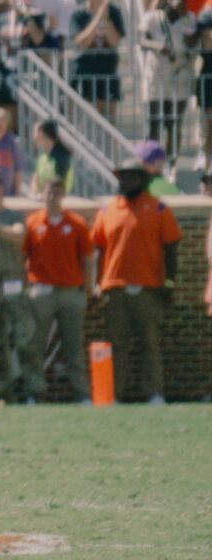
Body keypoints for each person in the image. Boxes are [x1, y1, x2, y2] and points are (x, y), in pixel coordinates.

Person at [90, 157, 183, 404]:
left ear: (143, 179)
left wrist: (170, 283)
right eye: (124, 176)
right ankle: (114, 395)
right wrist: (96, 284)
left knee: (150, 343)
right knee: (117, 344)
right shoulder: (107, 211)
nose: (128, 180)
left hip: (149, 288)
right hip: (115, 289)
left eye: (133, 176)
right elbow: (97, 250)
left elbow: (171, 248)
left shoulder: (159, 209)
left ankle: (154, 393)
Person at [22, 181, 95, 401]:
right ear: (42, 195)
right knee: (35, 345)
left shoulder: (77, 223)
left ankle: (82, 395)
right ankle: (34, 393)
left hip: (71, 292)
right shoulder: (32, 223)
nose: (52, 197)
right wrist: (27, 288)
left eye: (57, 192)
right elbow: (22, 257)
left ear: (63, 195)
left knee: (74, 346)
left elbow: (87, 259)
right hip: (41, 291)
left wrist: (88, 288)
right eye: (49, 192)